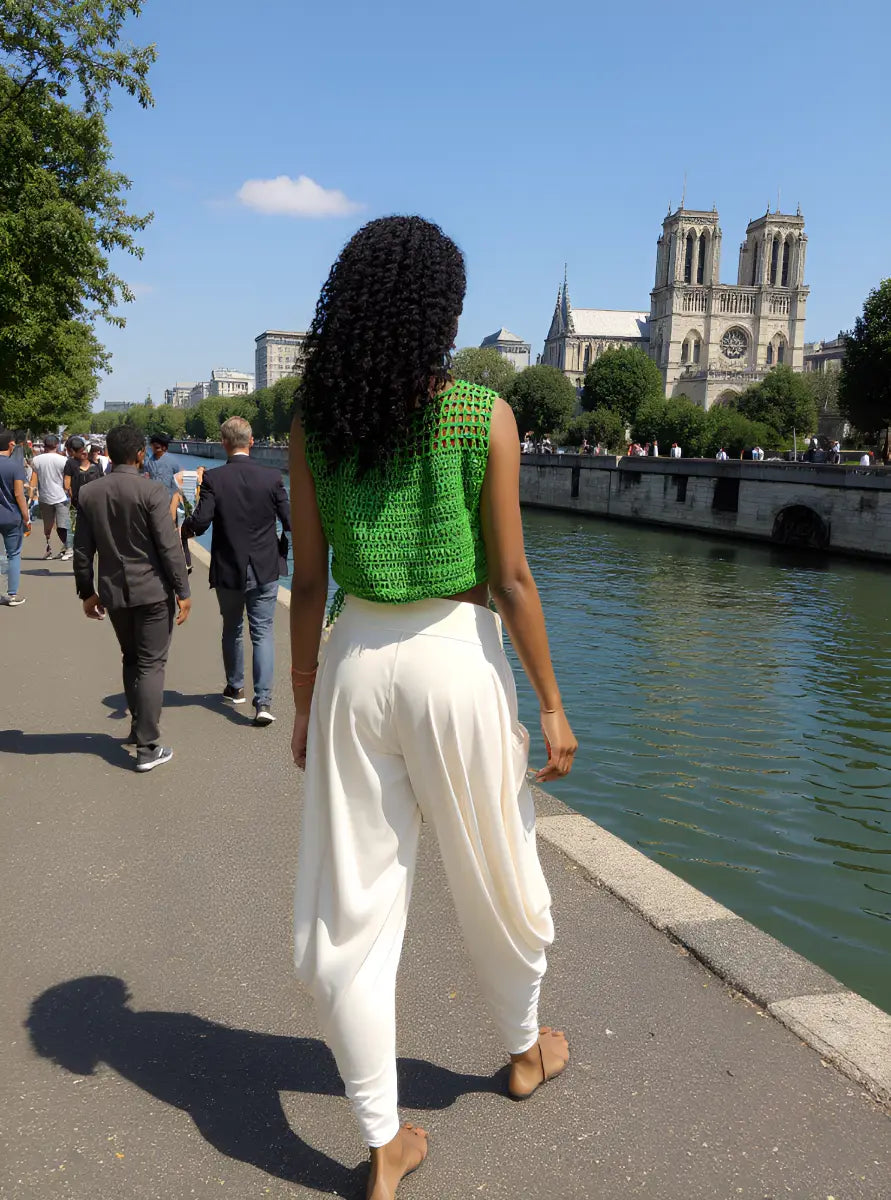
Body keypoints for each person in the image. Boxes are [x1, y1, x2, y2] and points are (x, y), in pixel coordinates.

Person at [288, 216, 576, 1199]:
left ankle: (382, 1142)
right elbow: (513, 578)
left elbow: (311, 582)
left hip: (355, 667)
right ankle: (526, 1048)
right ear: (440, 309)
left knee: (352, 909)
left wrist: (301, 698)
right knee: (497, 873)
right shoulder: (479, 414)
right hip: (456, 663)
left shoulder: (314, 422)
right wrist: (551, 704)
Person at [73, 424, 191, 772]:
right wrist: (183, 590)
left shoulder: (90, 493)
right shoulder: (152, 491)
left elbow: (82, 550)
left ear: (107, 452)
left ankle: (138, 726)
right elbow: (169, 547)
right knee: (152, 663)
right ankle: (148, 746)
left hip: (114, 591)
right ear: (141, 454)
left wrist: (86, 592)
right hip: (153, 590)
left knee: (130, 657)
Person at [183, 417, 290, 726]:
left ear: (224, 443)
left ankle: (235, 686)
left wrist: (183, 528)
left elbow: (201, 522)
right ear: (252, 441)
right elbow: (290, 521)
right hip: (265, 567)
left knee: (231, 627)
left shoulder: (215, 479)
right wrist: (282, 546)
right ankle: (264, 702)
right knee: (262, 632)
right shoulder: (271, 478)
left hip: (228, 566)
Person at [0, 429, 32, 606]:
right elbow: (19, 494)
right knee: (13, 554)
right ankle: (11, 595)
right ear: (10, 444)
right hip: (12, 516)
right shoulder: (14, 466)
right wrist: (26, 517)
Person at [28, 433, 72, 560]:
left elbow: (33, 479)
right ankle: (68, 548)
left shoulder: (36, 460)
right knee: (63, 524)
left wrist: (31, 496)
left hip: (44, 497)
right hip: (61, 496)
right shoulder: (63, 460)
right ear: (57, 445)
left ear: (44, 445)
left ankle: (49, 549)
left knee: (47, 526)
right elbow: (67, 480)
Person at [63, 436, 105, 521]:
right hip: (95, 503)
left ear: (72, 451)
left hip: (79, 503)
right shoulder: (96, 463)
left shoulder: (70, 463)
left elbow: (67, 486)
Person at [143, 432, 181, 518]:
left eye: (157, 448)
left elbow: (177, 481)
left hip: (170, 502)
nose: (155, 450)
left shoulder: (172, 461)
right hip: (153, 502)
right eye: (153, 447)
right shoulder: (149, 461)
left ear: (164, 447)